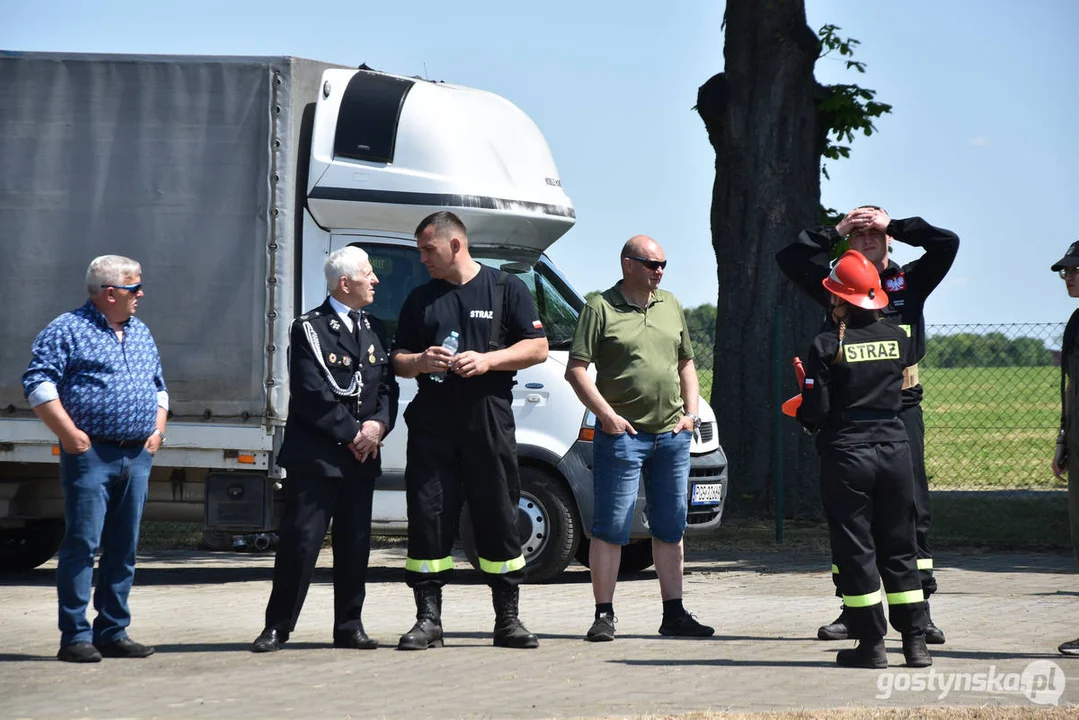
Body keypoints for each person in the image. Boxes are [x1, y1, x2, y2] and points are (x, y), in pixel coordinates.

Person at [777, 206, 958, 644]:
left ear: (890, 240)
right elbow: (790, 259)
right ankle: (854, 608)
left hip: (901, 409)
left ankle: (920, 609)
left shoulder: (906, 281)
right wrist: (834, 229)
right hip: (850, 416)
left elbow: (946, 243)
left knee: (911, 509)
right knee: (853, 520)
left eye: (875, 231)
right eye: (860, 233)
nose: (869, 236)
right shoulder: (836, 287)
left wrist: (893, 224)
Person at [390, 211, 547, 650]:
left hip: (488, 418)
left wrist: (487, 360)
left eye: (428, 249)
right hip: (433, 423)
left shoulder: (505, 288)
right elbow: (397, 358)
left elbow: (536, 347)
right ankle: (428, 620)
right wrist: (420, 361)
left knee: (498, 512)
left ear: (455, 244)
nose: (423, 258)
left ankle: (508, 621)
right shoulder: (420, 298)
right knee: (428, 515)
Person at [565, 235, 714, 642]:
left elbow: (686, 361)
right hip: (622, 437)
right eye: (651, 264)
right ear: (627, 264)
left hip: (671, 436)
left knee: (670, 526)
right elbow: (576, 370)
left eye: (664, 263)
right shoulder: (600, 307)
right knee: (611, 527)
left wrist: (691, 414)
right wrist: (607, 417)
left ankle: (674, 613)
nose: (660, 271)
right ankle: (603, 614)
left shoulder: (670, 305)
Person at [251, 246, 398, 653]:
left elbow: (386, 388)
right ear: (343, 283)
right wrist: (355, 433)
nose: (376, 280)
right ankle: (278, 627)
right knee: (301, 545)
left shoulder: (374, 329)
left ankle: (349, 625)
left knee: (356, 545)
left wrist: (379, 426)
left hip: (362, 459)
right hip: (319, 458)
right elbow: (312, 393)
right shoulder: (309, 329)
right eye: (369, 274)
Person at [22, 255, 168, 664]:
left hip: (136, 453)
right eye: (134, 288)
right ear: (109, 293)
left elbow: (159, 386)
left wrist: (157, 430)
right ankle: (74, 636)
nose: (141, 294)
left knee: (124, 547)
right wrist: (69, 435)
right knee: (82, 545)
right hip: (92, 456)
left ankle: (112, 630)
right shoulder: (67, 329)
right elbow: (37, 381)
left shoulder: (140, 332)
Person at [793, 249, 930, 669]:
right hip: (895, 449)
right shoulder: (899, 338)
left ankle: (871, 646)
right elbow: (902, 387)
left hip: (847, 453)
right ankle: (915, 643)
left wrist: (803, 408)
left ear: (839, 297)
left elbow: (816, 410)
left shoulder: (825, 344)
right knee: (900, 545)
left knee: (856, 548)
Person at [1051, 241, 1079, 657]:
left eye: (1075, 270)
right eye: (1065, 272)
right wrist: (1062, 439)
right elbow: (1072, 389)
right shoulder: (1076, 320)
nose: (1068, 278)